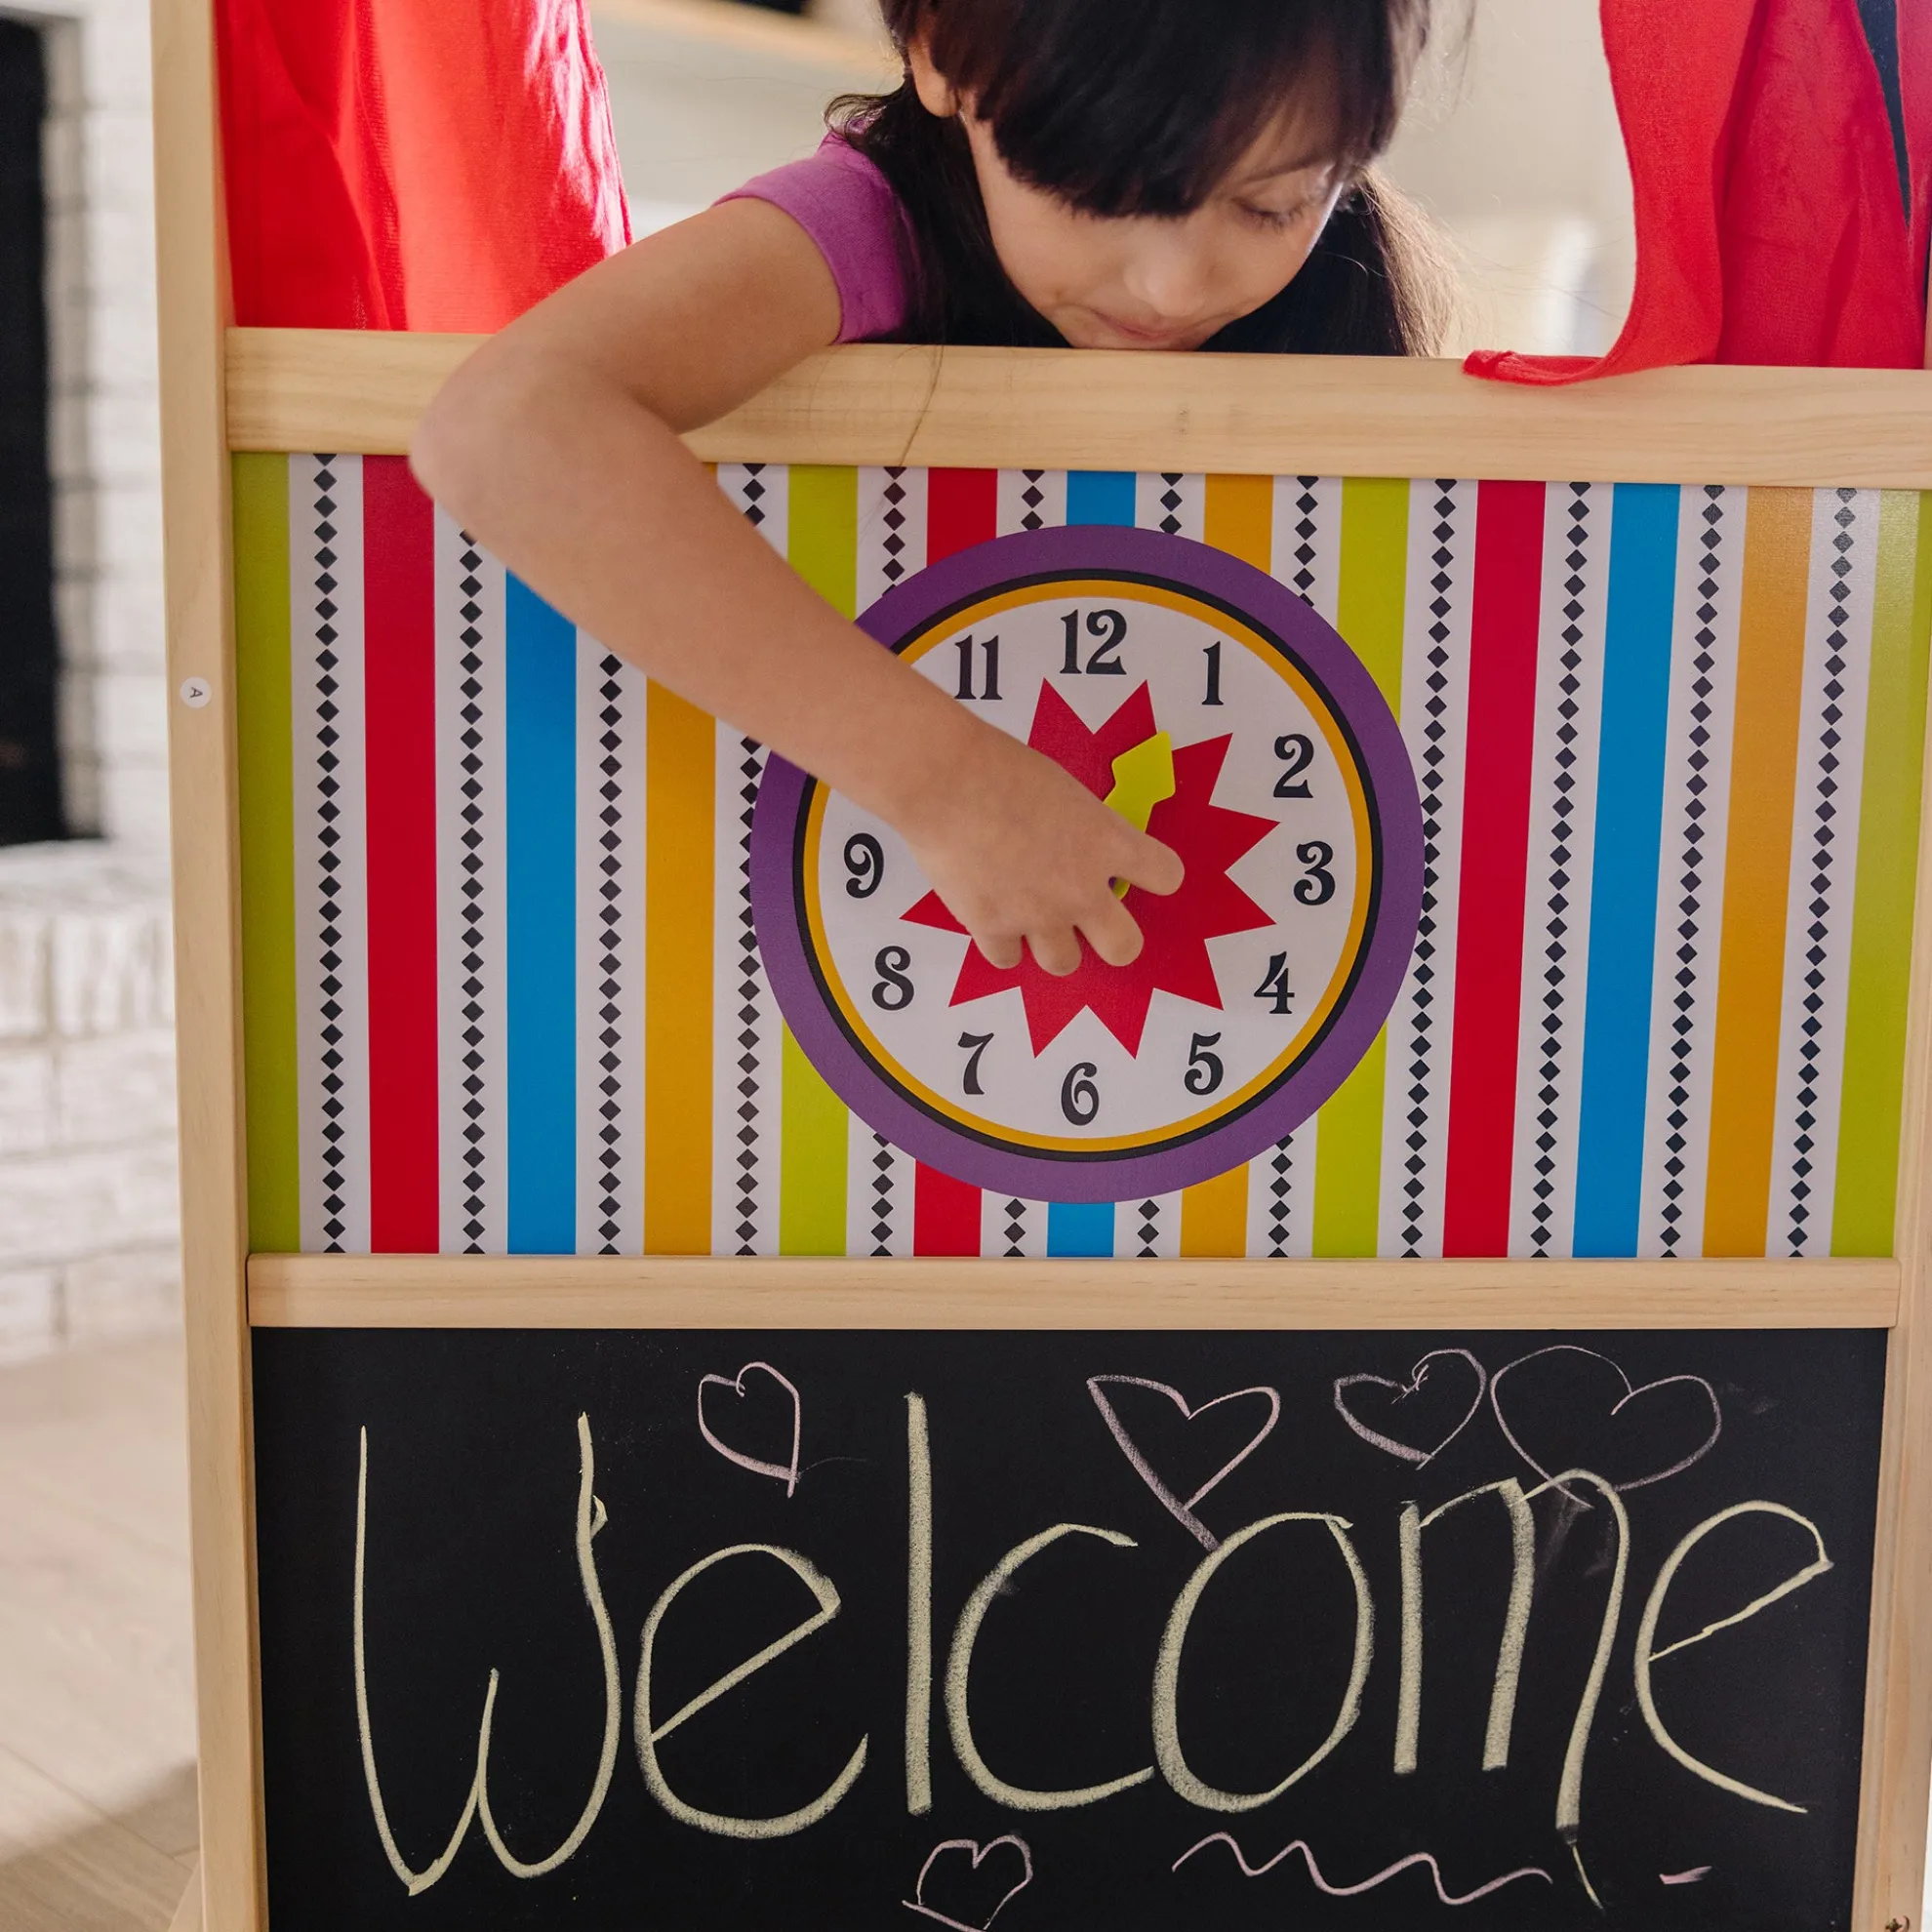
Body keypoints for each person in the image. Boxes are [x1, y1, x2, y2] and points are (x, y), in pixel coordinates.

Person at [412, 0, 1447, 983]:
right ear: (946, 51)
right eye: (1100, 194)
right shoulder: (869, 221)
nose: (1176, 284)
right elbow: (505, 427)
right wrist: (942, 780)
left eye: (1271, 204)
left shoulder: (1353, 293)